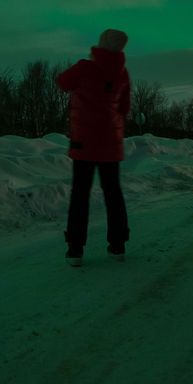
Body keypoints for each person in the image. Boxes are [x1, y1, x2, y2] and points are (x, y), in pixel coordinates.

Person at [57, 29, 132, 266]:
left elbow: (61, 82)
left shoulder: (84, 68)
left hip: (84, 143)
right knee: (113, 193)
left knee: (80, 194)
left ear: (100, 45)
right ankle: (118, 245)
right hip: (111, 144)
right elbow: (124, 108)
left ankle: (75, 249)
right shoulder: (123, 75)